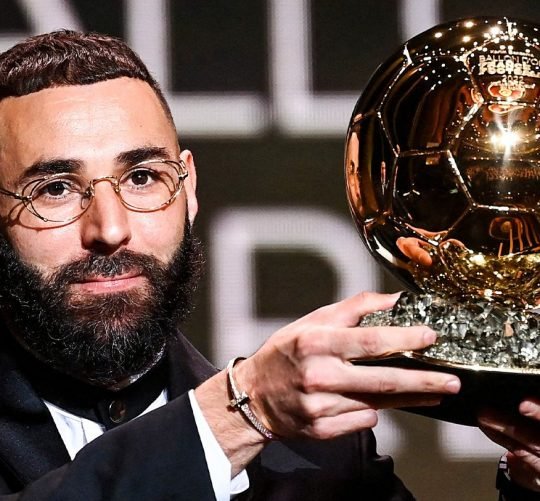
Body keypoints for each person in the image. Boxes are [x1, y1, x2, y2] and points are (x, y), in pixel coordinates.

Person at [0, 30, 536, 501]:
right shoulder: (257, 415)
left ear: (188, 189)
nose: (110, 229)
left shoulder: (320, 453)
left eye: (142, 178)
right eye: (55, 189)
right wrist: (240, 413)